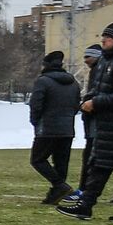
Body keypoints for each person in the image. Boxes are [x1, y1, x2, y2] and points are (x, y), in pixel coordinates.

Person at [57, 22, 113, 222]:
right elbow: (98, 90)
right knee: (99, 165)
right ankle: (85, 206)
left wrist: (95, 103)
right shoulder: (106, 62)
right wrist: (87, 101)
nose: (103, 40)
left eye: (108, 37)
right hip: (106, 125)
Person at [28, 50, 80, 204]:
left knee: (37, 159)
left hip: (48, 128)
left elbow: (36, 105)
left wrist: (35, 121)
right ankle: (56, 193)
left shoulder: (43, 81)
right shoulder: (73, 82)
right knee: (61, 162)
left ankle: (59, 186)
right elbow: (76, 104)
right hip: (68, 128)